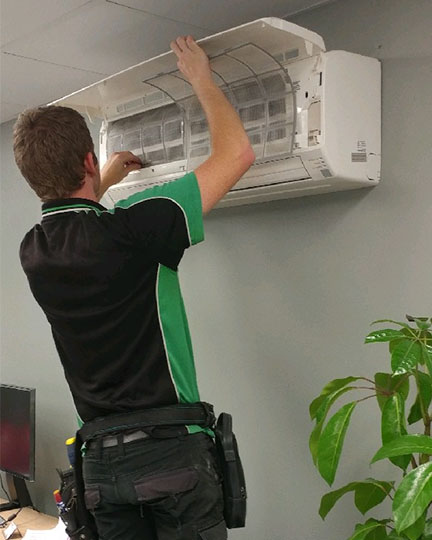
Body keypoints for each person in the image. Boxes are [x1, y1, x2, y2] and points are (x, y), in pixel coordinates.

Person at [14, 35, 255, 540]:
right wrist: (201, 79)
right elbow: (236, 154)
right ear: (85, 159)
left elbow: (77, 218)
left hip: (99, 469)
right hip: (172, 456)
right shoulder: (137, 232)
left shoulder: (34, 252)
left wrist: (102, 176)